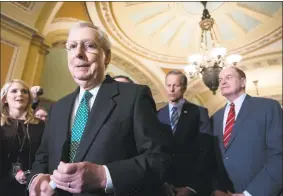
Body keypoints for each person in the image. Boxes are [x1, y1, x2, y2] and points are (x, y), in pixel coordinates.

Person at [28, 22, 173, 196]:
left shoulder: (134, 96)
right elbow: (43, 156)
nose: (78, 54)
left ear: (107, 57)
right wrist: (37, 179)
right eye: (72, 46)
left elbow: (159, 158)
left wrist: (105, 176)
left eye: (89, 46)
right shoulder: (58, 107)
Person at [211, 67, 282, 196]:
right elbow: (213, 158)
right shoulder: (215, 118)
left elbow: (278, 156)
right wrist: (216, 189)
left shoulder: (268, 107)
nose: (223, 82)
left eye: (228, 77)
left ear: (243, 82)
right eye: (220, 79)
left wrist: (250, 193)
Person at [157, 70, 214, 196]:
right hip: (164, 186)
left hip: (191, 185)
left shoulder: (199, 112)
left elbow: (206, 151)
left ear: (184, 87)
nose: (171, 89)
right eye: (168, 85)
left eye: (176, 85)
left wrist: (193, 187)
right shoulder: (157, 114)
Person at [0, 79, 45, 196]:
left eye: (24, 91)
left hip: (28, 186)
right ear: (4, 99)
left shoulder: (40, 125)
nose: (20, 94)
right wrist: (13, 172)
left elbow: (44, 155)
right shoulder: (1, 124)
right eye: (14, 91)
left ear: (29, 98)